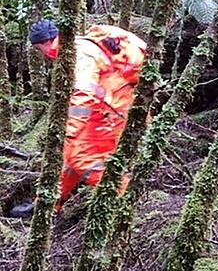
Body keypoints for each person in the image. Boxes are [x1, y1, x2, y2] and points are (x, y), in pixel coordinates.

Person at [9, 20, 146, 218]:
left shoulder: (80, 53)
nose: (43, 55)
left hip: (109, 114)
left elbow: (84, 93)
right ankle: (46, 205)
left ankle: (126, 205)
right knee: (68, 159)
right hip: (101, 111)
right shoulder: (75, 50)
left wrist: (71, 130)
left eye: (40, 49)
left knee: (85, 161)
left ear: (48, 43)